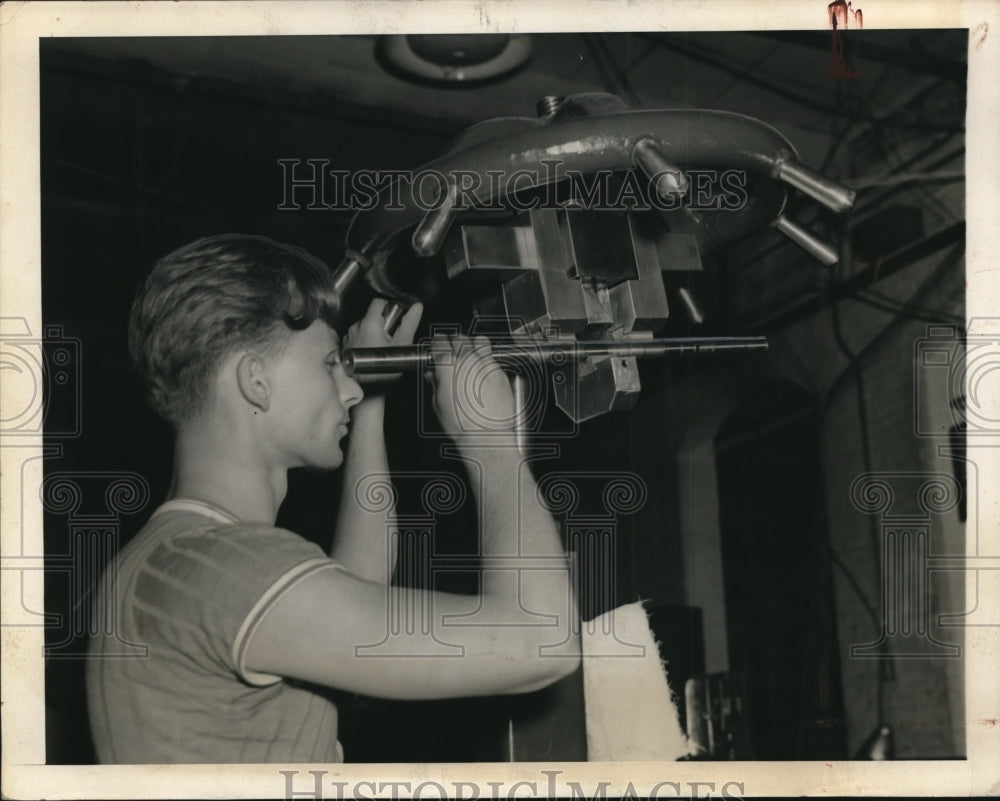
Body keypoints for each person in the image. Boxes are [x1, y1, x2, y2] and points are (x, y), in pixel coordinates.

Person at [86, 234, 580, 764]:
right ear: (256, 381)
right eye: (328, 364)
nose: (345, 386)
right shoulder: (224, 566)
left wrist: (369, 404)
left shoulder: (179, 558)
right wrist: (491, 441)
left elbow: (353, 592)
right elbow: (540, 641)